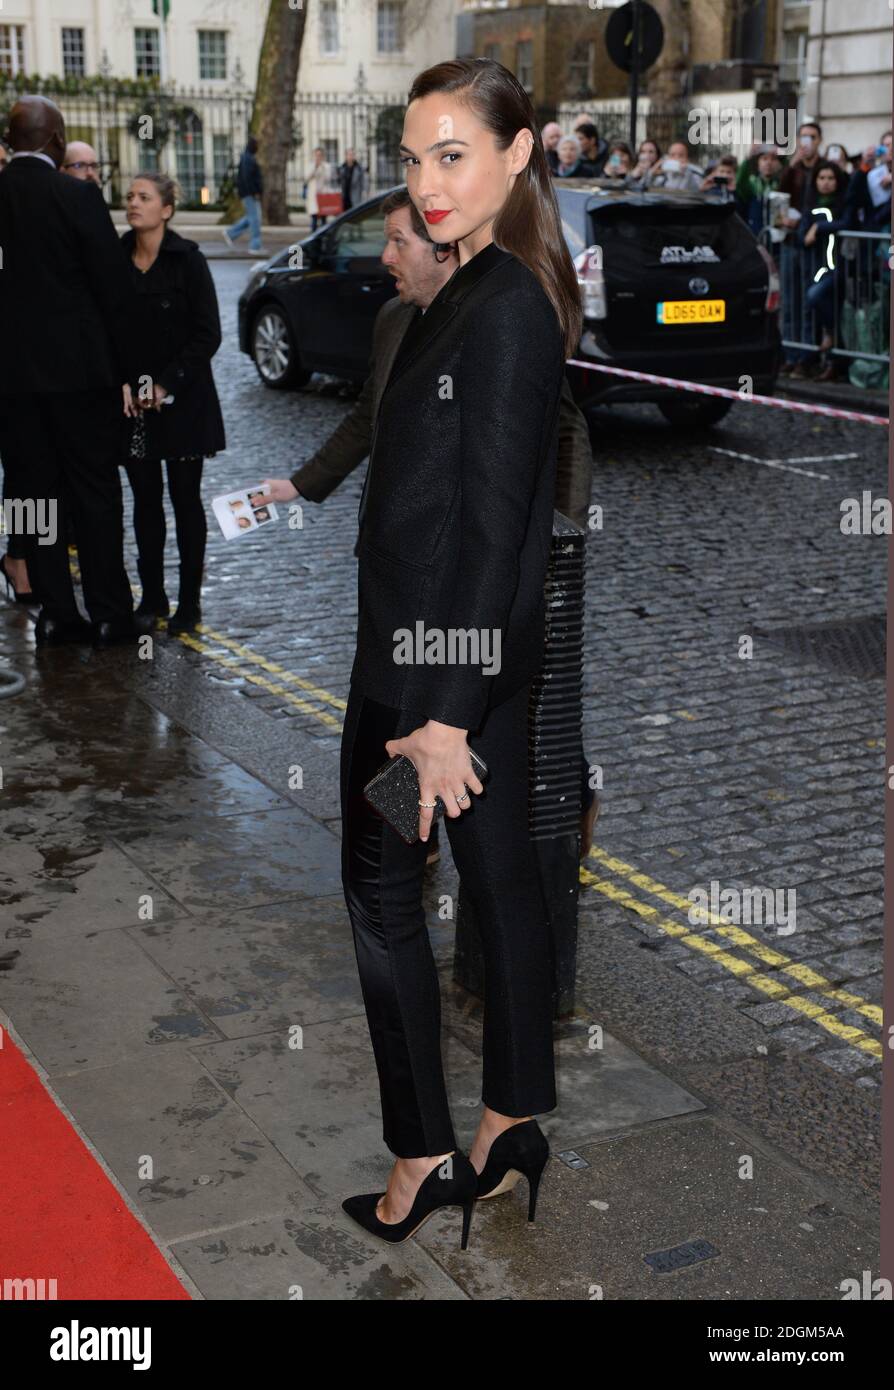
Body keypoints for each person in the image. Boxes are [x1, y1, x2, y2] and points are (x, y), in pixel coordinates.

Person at [326, 56, 582, 1247]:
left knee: (381, 899)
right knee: (500, 885)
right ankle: (514, 1116)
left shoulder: (510, 307)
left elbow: (494, 531)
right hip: (467, 669)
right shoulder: (480, 283)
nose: (426, 185)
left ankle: (423, 1154)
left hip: (428, 679)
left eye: (453, 155)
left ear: (517, 153)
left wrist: (438, 717)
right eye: (415, 157)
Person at [260, 186, 599, 862]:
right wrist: (300, 485)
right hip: (407, 565)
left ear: (442, 248)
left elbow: (564, 431)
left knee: (511, 706)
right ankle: (406, 842)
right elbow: (367, 420)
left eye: (398, 242)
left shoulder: (500, 320)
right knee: (403, 707)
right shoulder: (392, 320)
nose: (384, 257)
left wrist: (554, 534)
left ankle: (566, 811)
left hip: (481, 558)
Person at [0, 96, 145, 645]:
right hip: (81, 376)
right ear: (57, 140)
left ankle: (57, 612)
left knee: (34, 495)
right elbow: (114, 290)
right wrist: (132, 371)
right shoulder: (76, 197)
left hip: (12, 383)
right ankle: (110, 610)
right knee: (94, 492)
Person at [120, 173, 226, 633]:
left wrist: (164, 385)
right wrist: (122, 383)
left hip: (183, 401)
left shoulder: (188, 260)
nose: (133, 203)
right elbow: (106, 330)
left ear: (166, 209)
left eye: (144, 197)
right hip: (133, 406)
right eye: (129, 196)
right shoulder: (116, 258)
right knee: (144, 502)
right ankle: (153, 597)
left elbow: (208, 333)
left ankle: (188, 603)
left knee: (185, 500)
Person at [798, 161, 853, 381]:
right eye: (822, 178)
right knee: (820, 304)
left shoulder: (843, 203)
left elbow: (848, 223)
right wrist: (809, 231)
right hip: (817, 268)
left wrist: (819, 227)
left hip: (839, 267)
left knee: (816, 296)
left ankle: (831, 337)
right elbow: (803, 237)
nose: (826, 183)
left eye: (830, 178)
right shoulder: (810, 205)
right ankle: (832, 360)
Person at [778, 121, 824, 374]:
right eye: (803, 137)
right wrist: (792, 164)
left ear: (819, 141)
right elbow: (779, 194)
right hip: (790, 239)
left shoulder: (823, 168)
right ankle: (790, 353)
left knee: (807, 299)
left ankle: (806, 356)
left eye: (812, 138)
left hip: (811, 242)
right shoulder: (793, 169)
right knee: (790, 299)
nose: (807, 143)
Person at [223, 136, 264, 254]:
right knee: (254, 219)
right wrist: (254, 191)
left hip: (248, 193)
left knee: (252, 218)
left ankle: (230, 233)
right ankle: (254, 246)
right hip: (249, 193)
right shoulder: (248, 159)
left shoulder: (248, 158)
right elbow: (248, 178)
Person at [735, 146, 782, 237]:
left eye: (773, 159)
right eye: (764, 159)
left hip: (776, 239)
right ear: (758, 163)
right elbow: (740, 183)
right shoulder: (752, 184)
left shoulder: (781, 184)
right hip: (755, 237)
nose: (769, 163)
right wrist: (748, 159)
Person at [304, 147, 333, 232]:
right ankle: (313, 236)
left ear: (323, 156)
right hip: (313, 196)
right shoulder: (310, 166)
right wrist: (315, 168)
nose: (318, 157)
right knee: (314, 218)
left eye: (320, 155)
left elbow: (328, 178)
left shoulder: (327, 166)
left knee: (324, 218)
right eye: (316, 155)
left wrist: (322, 167)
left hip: (323, 195)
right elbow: (306, 178)